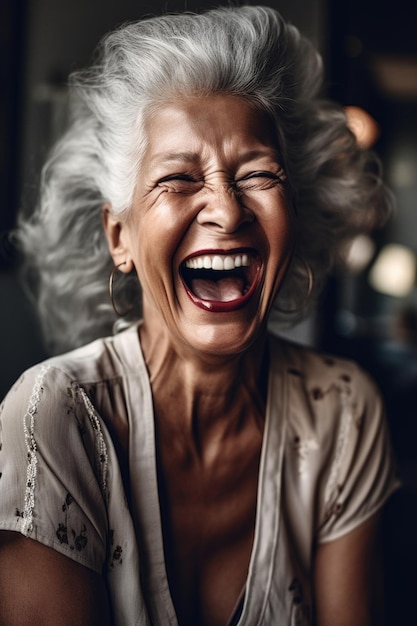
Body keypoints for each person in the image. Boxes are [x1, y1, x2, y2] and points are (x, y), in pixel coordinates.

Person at [0, 6, 398, 625]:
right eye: (179, 179)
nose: (227, 211)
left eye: (258, 174)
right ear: (119, 238)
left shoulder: (343, 411)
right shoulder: (54, 414)